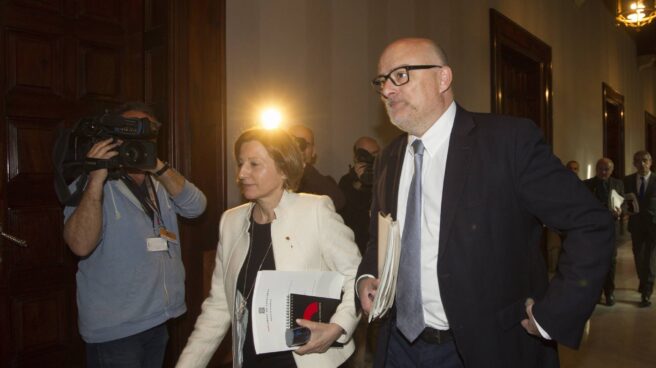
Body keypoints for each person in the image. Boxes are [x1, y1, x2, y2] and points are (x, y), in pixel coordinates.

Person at [356, 38, 613, 367]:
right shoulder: (390, 157)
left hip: (483, 349)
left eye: (401, 75)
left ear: (443, 78)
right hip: (398, 348)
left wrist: (555, 313)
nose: (388, 91)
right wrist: (366, 277)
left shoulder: (507, 142)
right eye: (382, 81)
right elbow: (380, 237)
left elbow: (590, 222)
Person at [177, 128, 361, 367]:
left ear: (284, 169)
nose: (242, 173)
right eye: (240, 163)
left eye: (254, 164)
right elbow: (219, 305)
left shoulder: (315, 211)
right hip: (251, 358)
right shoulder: (231, 222)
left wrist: (338, 328)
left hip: (310, 358)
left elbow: (356, 276)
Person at [63, 102, 208, 367]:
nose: (139, 140)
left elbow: (196, 207)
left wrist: (158, 167)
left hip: (158, 318)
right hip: (116, 329)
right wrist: (96, 177)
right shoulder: (91, 183)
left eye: (147, 134)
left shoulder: (161, 182)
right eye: (131, 132)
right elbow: (80, 245)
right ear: (114, 137)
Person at [584, 158, 624, 306]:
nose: (603, 172)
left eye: (606, 169)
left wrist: (619, 212)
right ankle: (595, 293)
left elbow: (623, 204)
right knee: (594, 261)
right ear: (596, 169)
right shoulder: (587, 184)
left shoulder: (618, 184)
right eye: (600, 168)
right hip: (592, 230)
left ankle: (609, 293)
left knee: (611, 261)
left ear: (612, 170)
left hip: (611, 229)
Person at [623, 150, 656, 308]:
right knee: (638, 256)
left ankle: (646, 293)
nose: (642, 164)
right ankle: (644, 281)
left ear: (650, 162)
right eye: (638, 161)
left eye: (645, 160)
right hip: (636, 225)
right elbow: (622, 200)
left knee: (649, 258)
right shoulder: (628, 180)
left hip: (653, 226)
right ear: (634, 163)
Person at [338, 136, 380, 254]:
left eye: (375, 153)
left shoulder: (387, 176)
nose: (372, 158)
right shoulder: (347, 182)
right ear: (357, 158)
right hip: (358, 247)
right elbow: (349, 216)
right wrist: (361, 182)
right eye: (366, 155)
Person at [288, 124, 346, 210]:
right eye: (294, 143)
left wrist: (303, 166)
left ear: (313, 151)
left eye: (305, 144)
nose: (300, 148)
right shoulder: (276, 179)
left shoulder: (322, 182)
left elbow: (338, 202)